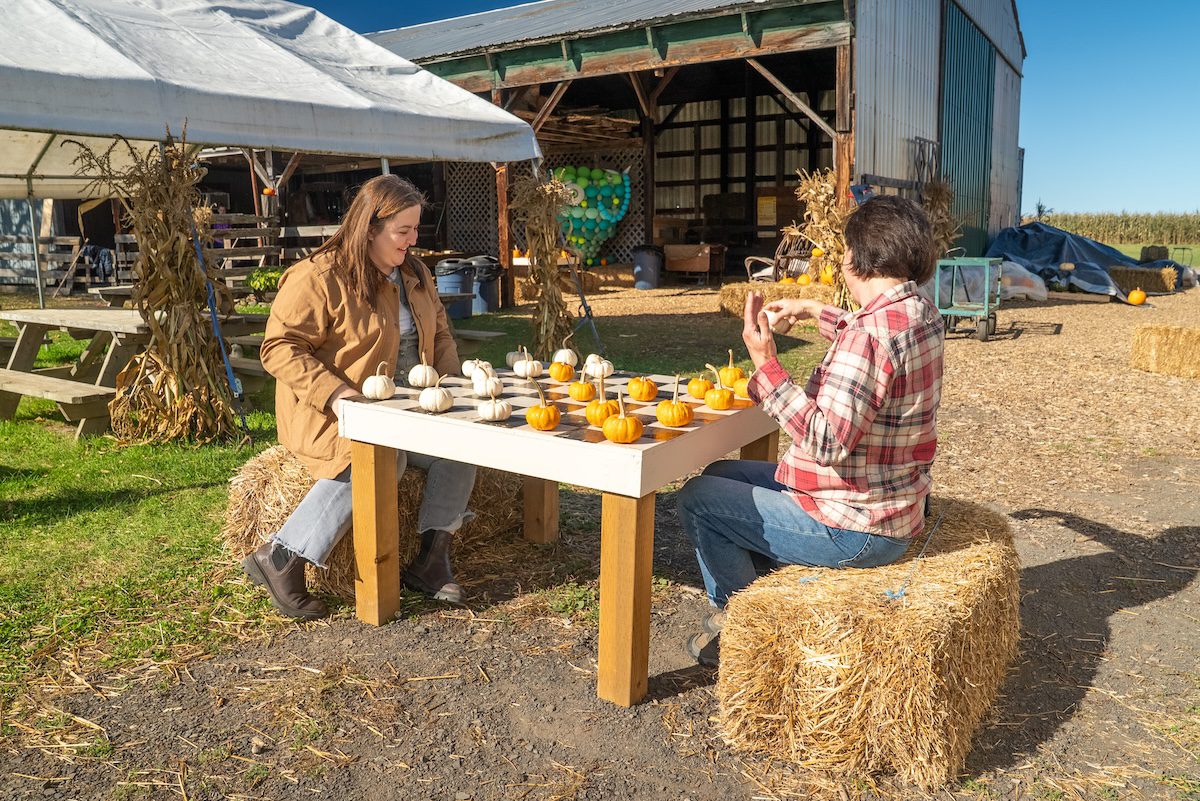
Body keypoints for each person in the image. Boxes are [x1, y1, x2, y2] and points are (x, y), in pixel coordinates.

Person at [677, 195, 944, 666]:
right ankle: (774, 591)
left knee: (698, 499)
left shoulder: (868, 338)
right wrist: (810, 308)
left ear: (857, 259)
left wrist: (766, 365)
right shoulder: (920, 313)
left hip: (857, 528)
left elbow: (826, 442)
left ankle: (747, 630)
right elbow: (867, 333)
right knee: (723, 471)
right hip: (890, 504)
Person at [243, 175, 476, 619]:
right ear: (370, 227)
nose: (412, 241)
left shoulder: (416, 272)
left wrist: (453, 389)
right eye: (402, 232)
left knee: (461, 445)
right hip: (334, 414)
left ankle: (431, 559)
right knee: (385, 459)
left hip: (410, 410)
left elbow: (441, 333)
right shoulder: (318, 277)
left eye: (415, 230)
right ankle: (281, 556)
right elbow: (279, 349)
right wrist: (337, 395)